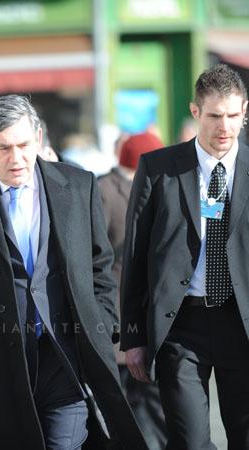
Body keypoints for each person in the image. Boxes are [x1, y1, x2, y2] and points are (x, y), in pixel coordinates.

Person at [0, 94, 146, 449]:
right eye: (4, 148)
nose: (16, 158)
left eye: (24, 145)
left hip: (65, 357)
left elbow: (99, 266)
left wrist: (101, 324)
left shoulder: (78, 185)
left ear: (38, 139)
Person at [121, 63, 249, 449]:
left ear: (245, 111)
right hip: (181, 325)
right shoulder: (159, 168)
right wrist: (133, 336)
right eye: (213, 116)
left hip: (240, 321)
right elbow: (136, 254)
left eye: (232, 116)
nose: (223, 127)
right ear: (195, 112)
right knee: (190, 441)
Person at [98, 131, 167, 450]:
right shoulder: (103, 190)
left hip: (153, 314)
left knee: (156, 407)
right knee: (123, 406)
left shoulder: (160, 184)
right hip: (117, 314)